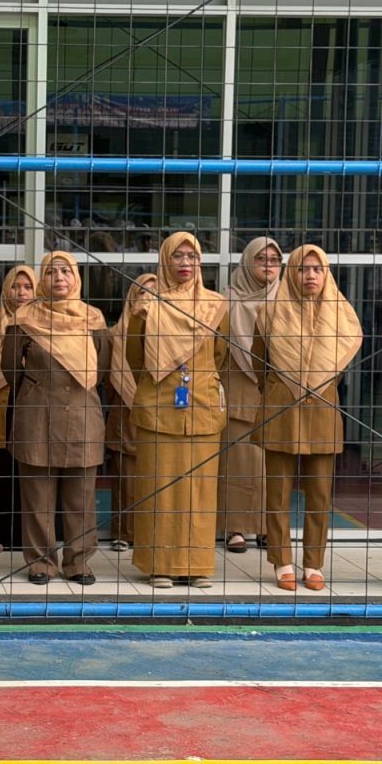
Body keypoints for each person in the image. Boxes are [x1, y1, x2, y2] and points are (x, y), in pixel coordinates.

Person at [251, 244, 362, 591]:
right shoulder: (269, 312)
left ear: (327, 273)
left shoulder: (343, 315)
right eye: (303, 268)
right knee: (278, 492)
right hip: (281, 408)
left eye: (318, 269)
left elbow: (340, 368)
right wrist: (282, 387)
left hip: (323, 409)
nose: (311, 275)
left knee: (319, 494)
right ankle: (282, 561)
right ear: (291, 272)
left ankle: (313, 564)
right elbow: (259, 362)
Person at [127, 232, 228, 589]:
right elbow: (135, 358)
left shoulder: (217, 305)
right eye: (178, 256)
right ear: (165, 261)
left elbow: (220, 356)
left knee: (200, 490)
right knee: (161, 487)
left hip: (201, 407)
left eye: (193, 256)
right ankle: (160, 565)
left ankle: (197, 565)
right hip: (158, 406)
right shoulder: (149, 305)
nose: (186, 263)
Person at [2, 250, 109, 586]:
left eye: (66, 271)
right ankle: (41, 563)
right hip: (37, 415)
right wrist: (38, 390)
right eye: (51, 272)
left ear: (76, 278)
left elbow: (102, 369)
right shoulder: (24, 317)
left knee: (81, 497)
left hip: (83, 416)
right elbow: (9, 368)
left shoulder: (93, 318)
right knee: (37, 496)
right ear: (43, 280)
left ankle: (78, 563)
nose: (59, 278)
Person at [217, 238, 283, 554]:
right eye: (261, 259)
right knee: (237, 462)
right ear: (247, 262)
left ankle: (269, 527)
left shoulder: (288, 301)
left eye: (274, 260)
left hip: (275, 393)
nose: (269, 265)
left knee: (272, 466)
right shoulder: (227, 302)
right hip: (237, 391)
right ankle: (236, 528)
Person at [0, 265, 37, 550]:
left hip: (28, 401)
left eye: (27, 287)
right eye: (16, 286)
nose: (21, 293)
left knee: (25, 470)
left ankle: (21, 538)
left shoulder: (43, 320)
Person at [105, 272, 157, 553]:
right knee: (124, 477)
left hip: (158, 411)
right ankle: (122, 532)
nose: (146, 298)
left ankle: (148, 533)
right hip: (122, 412)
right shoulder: (114, 335)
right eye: (141, 293)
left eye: (154, 293)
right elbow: (104, 377)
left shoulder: (168, 335)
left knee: (152, 477)